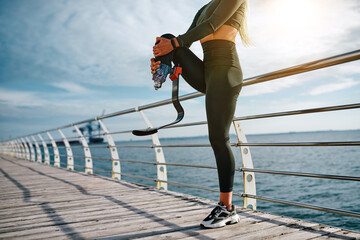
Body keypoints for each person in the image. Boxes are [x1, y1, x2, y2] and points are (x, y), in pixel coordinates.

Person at [150, 0, 251, 229]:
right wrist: (162, 54)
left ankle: (227, 208)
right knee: (166, 39)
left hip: (226, 71)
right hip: (207, 72)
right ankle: (159, 73)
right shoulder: (204, 7)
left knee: (218, 138)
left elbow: (213, 25)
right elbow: (185, 39)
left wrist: (173, 44)